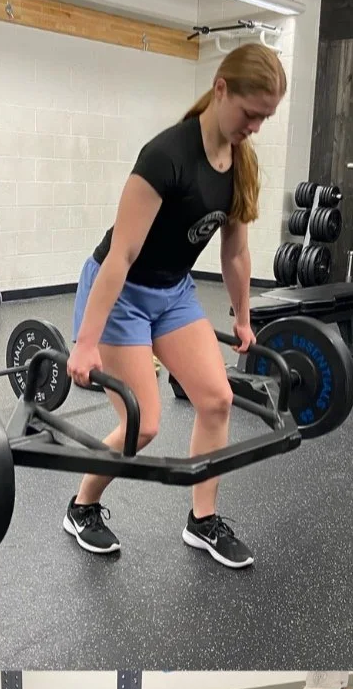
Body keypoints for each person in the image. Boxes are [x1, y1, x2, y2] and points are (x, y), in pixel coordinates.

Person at [61, 43, 288, 570]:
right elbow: (122, 253)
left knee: (216, 400)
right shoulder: (165, 156)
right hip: (122, 294)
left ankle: (202, 519)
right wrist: (86, 342)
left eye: (265, 118)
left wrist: (243, 317)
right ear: (222, 89)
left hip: (174, 292)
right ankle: (82, 506)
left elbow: (235, 252)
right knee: (143, 423)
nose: (255, 126)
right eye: (251, 113)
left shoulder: (239, 164)